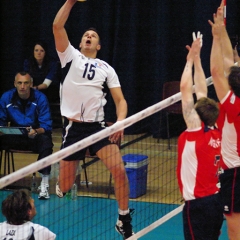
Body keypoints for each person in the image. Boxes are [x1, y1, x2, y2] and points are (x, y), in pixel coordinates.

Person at [52, 0, 134, 239]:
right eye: (85, 35)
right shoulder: (70, 57)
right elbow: (57, 26)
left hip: (98, 129)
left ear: (98, 45)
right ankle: (61, 184)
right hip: (74, 130)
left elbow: (121, 101)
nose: (88, 37)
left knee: (119, 171)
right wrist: (70, 1)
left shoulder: (107, 68)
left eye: (93, 36)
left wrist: (119, 122)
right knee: (66, 188)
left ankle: (123, 220)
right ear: (80, 43)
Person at [177, 33, 223, 239]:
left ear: (197, 116)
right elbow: (201, 90)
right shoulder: (216, 129)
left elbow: (186, 90)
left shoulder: (195, 133)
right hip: (215, 200)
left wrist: (189, 61)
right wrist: (197, 58)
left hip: (197, 205)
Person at [209, 0, 240, 239]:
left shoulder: (232, 105)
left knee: (234, 225)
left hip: (235, 172)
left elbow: (219, 71)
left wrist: (217, 37)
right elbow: (230, 62)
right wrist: (223, 30)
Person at [0, 71, 54, 200]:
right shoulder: (6, 97)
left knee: (46, 142)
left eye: (25, 83)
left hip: (33, 136)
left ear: (31, 84)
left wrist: (36, 131)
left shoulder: (40, 98)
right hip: (14, 136)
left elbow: (46, 126)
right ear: (15, 84)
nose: (22, 86)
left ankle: (44, 184)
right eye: (19, 83)